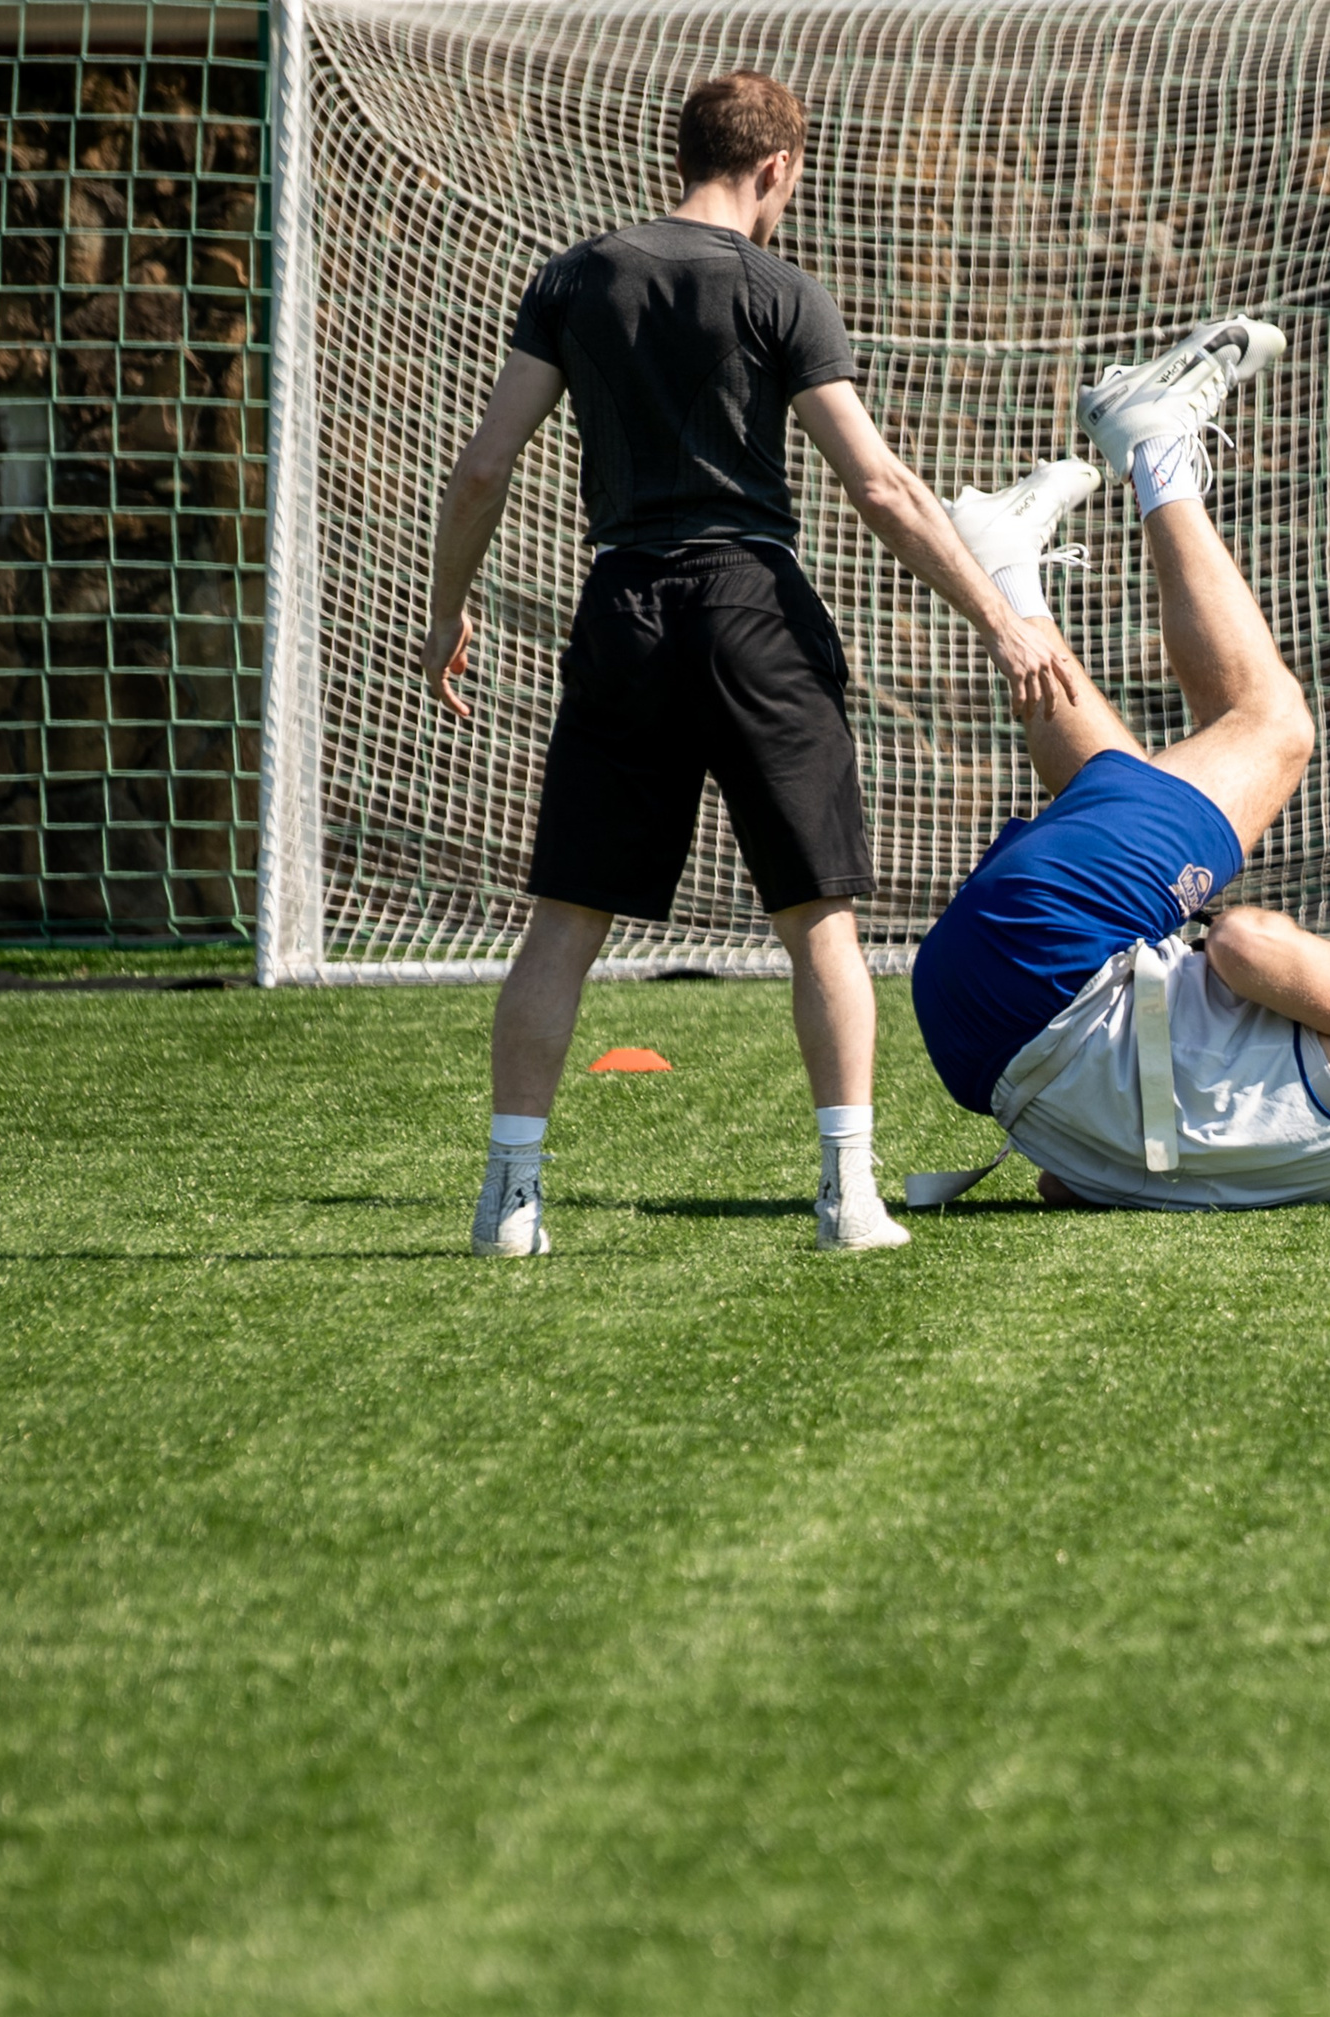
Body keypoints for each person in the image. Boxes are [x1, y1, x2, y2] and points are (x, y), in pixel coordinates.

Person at [422, 71, 1080, 1257]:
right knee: (817, 921)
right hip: (752, 612)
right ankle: (849, 1199)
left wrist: (445, 610)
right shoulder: (780, 290)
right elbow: (877, 484)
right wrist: (1001, 618)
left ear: (686, 154)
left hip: (621, 607)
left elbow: (481, 469)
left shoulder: (574, 278)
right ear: (776, 168)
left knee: (564, 921)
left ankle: (510, 1204)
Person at [909, 315, 1330, 1210]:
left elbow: (1241, 944)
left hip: (1042, 958)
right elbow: (1063, 1182)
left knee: (1272, 727)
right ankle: (1005, 576)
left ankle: (1153, 443)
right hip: (975, 1040)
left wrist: (1221, 916)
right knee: (1120, 794)